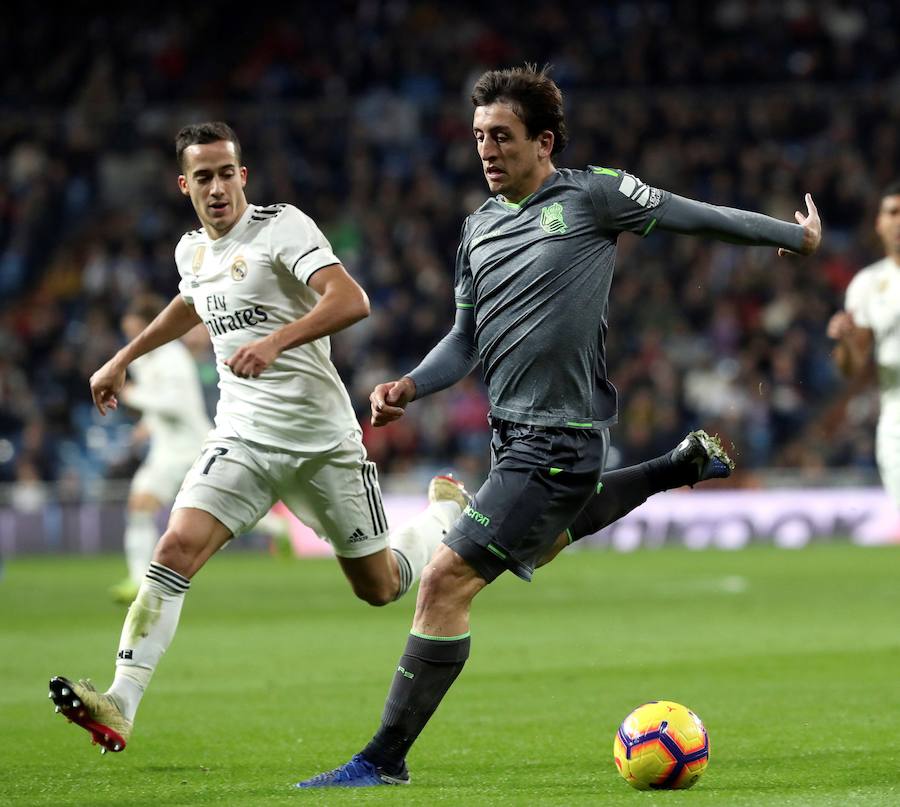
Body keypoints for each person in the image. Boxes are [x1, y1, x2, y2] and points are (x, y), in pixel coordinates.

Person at [296, 65, 821, 788]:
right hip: (512, 437)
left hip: (559, 437)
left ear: (543, 142)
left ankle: (383, 758)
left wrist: (790, 238)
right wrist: (411, 385)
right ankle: (676, 466)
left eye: (502, 137)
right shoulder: (477, 228)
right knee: (540, 545)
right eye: (479, 136)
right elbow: (464, 339)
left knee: (444, 583)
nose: (486, 150)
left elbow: (689, 212)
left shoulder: (591, 195)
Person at [48, 121, 469, 754]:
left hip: (323, 443)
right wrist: (123, 357)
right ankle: (122, 702)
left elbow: (351, 300)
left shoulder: (282, 228)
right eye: (204, 177)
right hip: (241, 438)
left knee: (379, 587)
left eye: (226, 173)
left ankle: (440, 516)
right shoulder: (191, 250)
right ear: (184, 184)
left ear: (242, 176)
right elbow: (191, 302)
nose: (217, 187)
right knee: (174, 549)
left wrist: (274, 342)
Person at [108, 297, 212, 604]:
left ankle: (277, 527)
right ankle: (137, 580)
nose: (133, 339)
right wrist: (148, 424)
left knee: (226, 512)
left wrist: (133, 396)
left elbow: (176, 404)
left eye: (136, 331)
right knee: (139, 505)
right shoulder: (143, 360)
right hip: (166, 450)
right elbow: (160, 405)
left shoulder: (172, 357)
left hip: (194, 446)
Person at [827, 180, 900, 512]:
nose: (899, 220)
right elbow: (853, 367)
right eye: (893, 212)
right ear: (879, 223)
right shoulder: (867, 284)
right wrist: (845, 341)